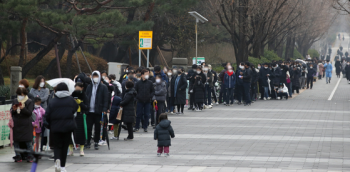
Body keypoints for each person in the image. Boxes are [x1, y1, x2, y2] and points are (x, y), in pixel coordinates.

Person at [45, 83, 78, 172]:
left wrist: (49, 125)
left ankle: (57, 160)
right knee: (65, 146)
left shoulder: (53, 101)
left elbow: (47, 115)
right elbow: (75, 109)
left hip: (55, 128)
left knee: (57, 146)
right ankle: (63, 166)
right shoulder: (71, 100)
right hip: (68, 127)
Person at [86, 71, 109, 150]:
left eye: (97, 76)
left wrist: (105, 109)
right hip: (89, 111)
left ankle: (96, 142)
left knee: (98, 128)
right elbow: (86, 97)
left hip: (99, 111)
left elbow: (106, 99)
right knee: (88, 127)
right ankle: (88, 142)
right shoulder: (89, 86)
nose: (95, 78)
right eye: (94, 76)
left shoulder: (103, 87)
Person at [11, 87, 34, 162]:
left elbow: (29, 113)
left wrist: (23, 108)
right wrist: (13, 110)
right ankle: (18, 155)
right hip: (16, 123)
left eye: (22, 94)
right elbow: (11, 112)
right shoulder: (15, 100)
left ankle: (30, 156)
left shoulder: (29, 101)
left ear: (24, 94)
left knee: (28, 141)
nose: (20, 96)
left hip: (26, 124)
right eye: (19, 94)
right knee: (16, 141)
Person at [69, 83, 88, 156]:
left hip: (80, 115)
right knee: (71, 133)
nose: (77, 90)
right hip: (73, 116)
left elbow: (86, 107)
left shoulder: (84, 96)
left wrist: (80, 103)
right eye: (76, 88)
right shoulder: (71, 96)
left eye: (78, 89)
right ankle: (71, 150)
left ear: (82, 88)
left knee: (81, 133)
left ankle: (81, 150)